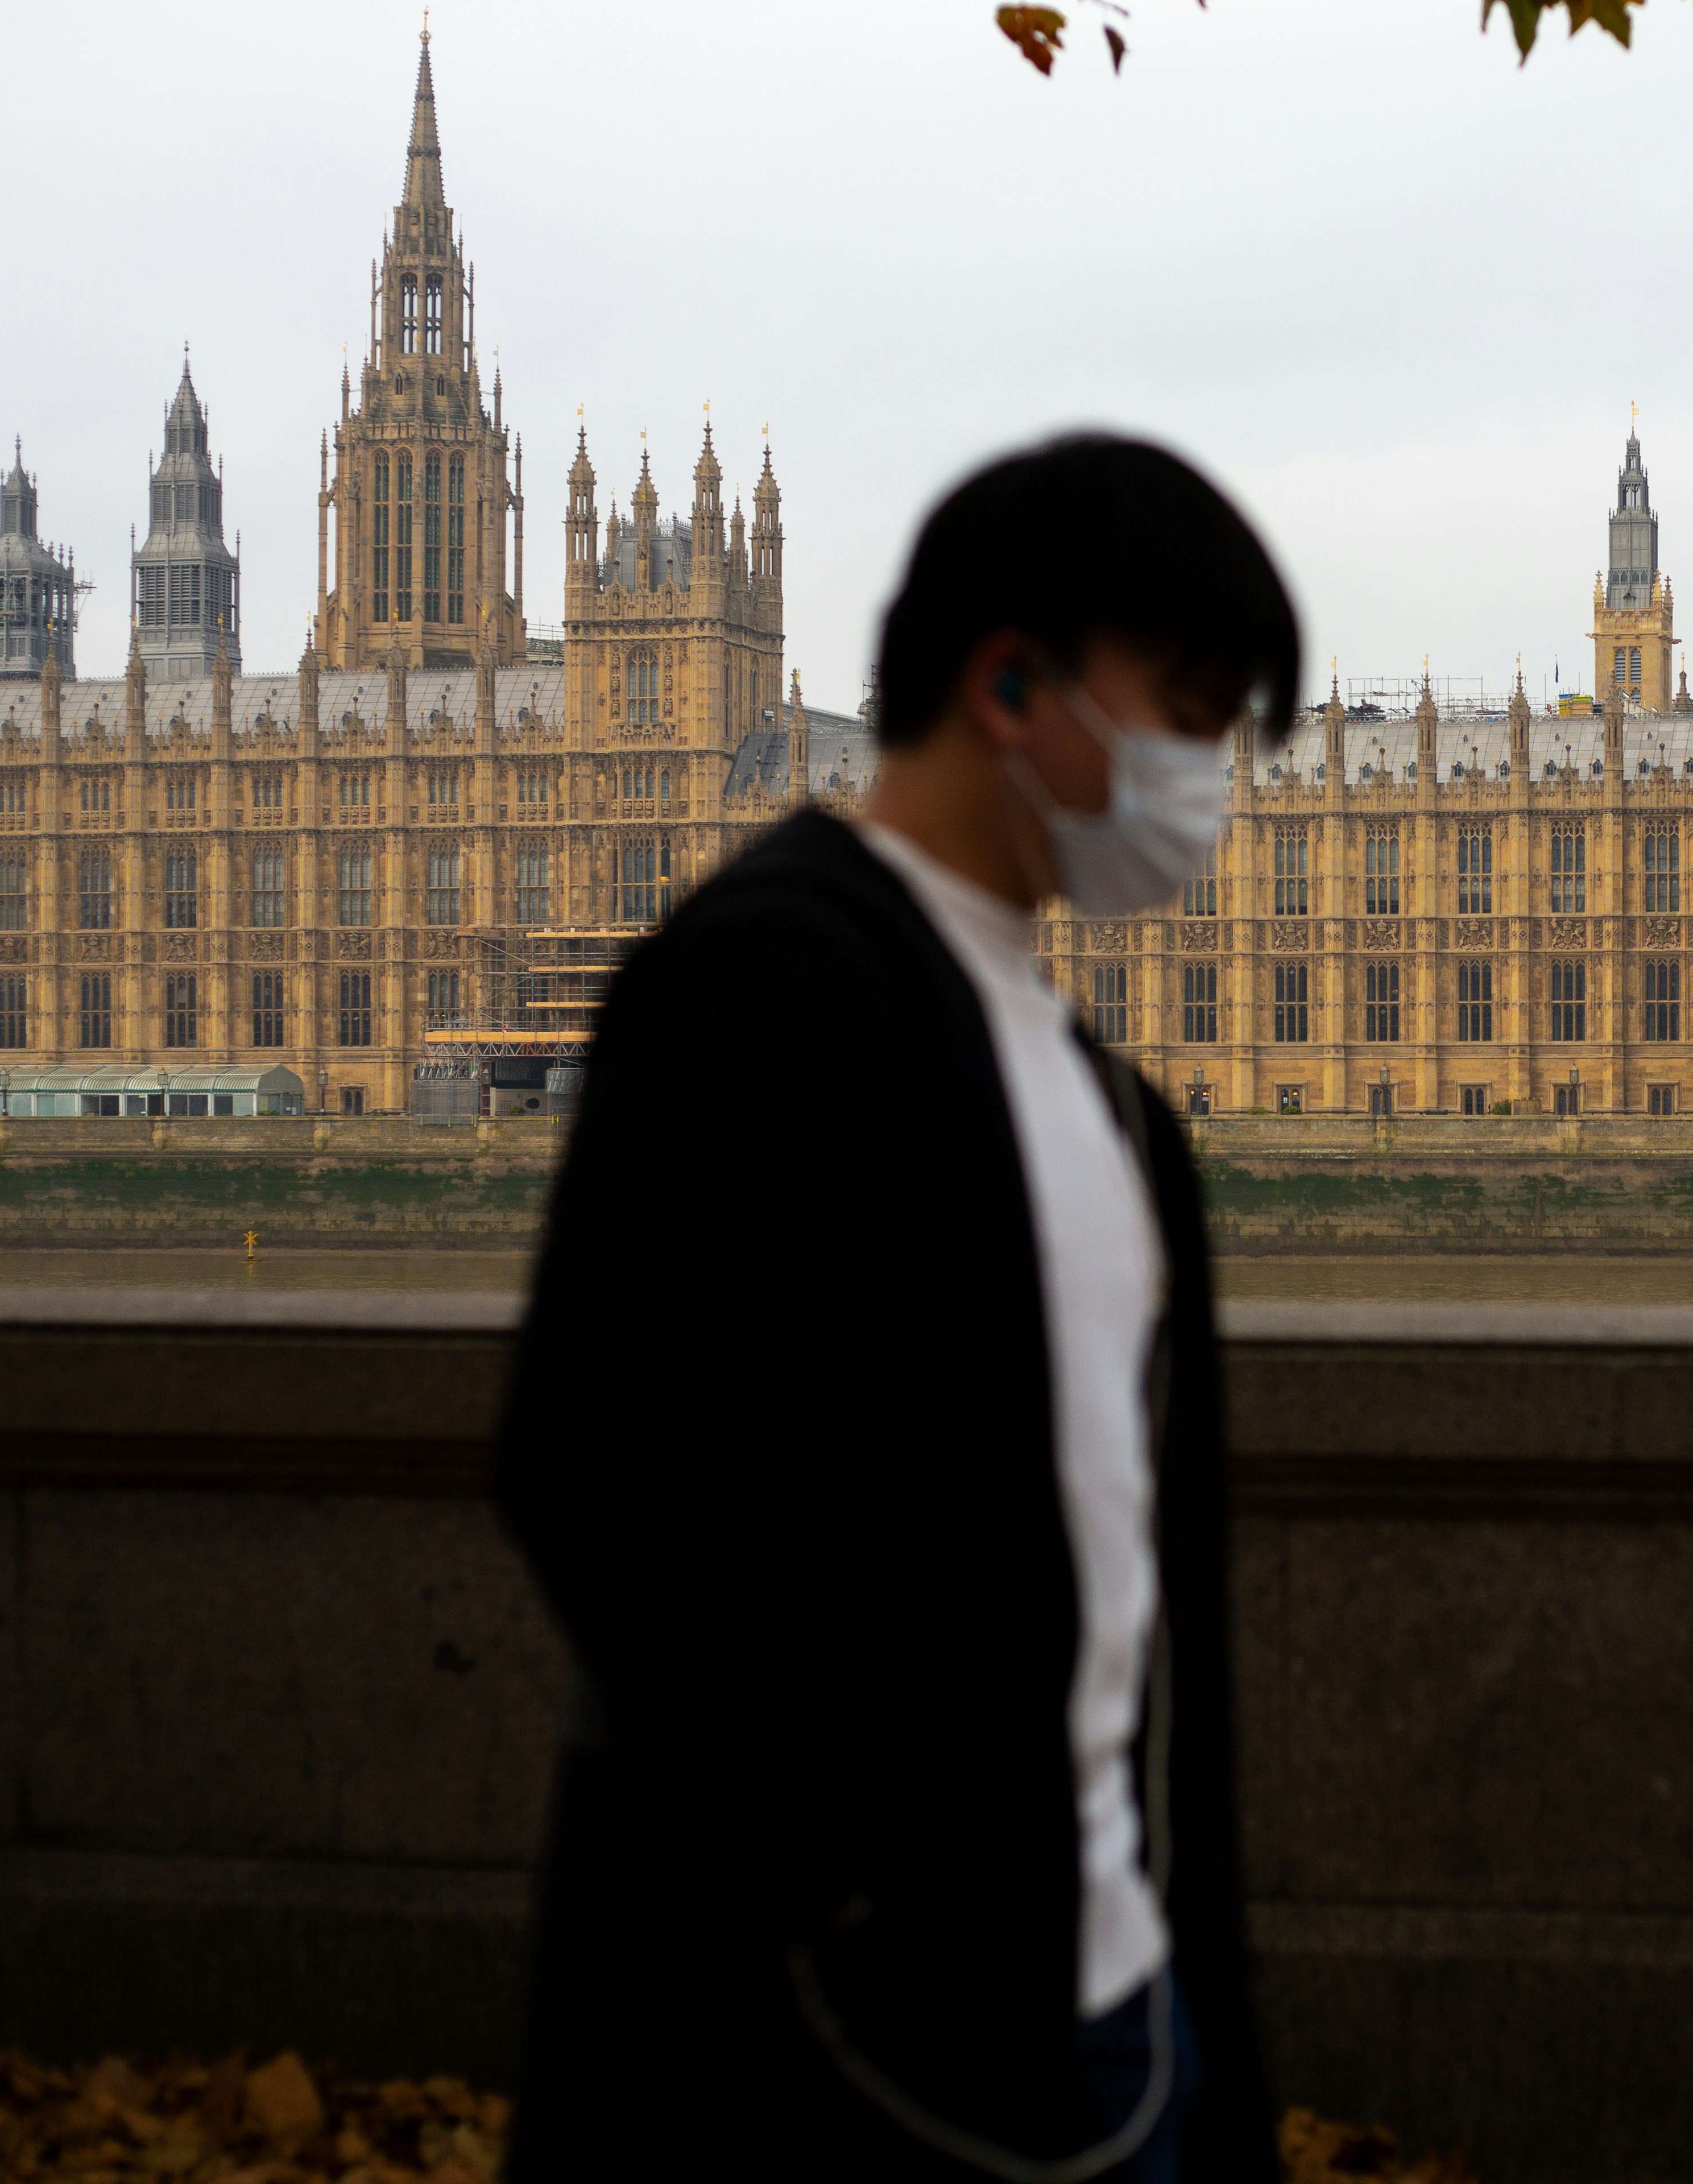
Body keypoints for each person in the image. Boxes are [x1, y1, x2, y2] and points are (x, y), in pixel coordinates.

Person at [495, 434, 1299, 2183]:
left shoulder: (1116, 1113)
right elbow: (604, 1461)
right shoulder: (755, 976)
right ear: (1008, 682)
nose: (1207, 774)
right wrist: (878, 1884)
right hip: (842, 2044)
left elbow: (1135, 1627)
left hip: (1125, 2005)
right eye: (1184, 709)